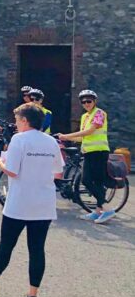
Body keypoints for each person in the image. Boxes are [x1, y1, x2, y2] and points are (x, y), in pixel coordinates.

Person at [0, 103, 62, 297]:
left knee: (7, 245)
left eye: (17, 120)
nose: (15, 124)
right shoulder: (51, 142)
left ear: (25, 120)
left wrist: (0, 161)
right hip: (43, 204)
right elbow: (58, 174)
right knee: (37, 249)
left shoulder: (19, 140)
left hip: (20, 203)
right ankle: (33, 296)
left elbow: (12, 171)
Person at [58, 90, 115, 224]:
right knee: (95, 182)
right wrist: (65, 140)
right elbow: (84, 136)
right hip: (89, 152)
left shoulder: (99, 113)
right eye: (83, 102)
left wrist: (67, 135)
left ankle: (106, 208)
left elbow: (90, 131)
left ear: (95, 101)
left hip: (99, 152)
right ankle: (98, 211)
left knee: (87, 180)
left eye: (89, 101)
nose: (86, 104)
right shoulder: (85, 117)